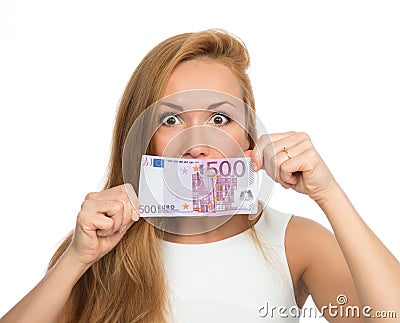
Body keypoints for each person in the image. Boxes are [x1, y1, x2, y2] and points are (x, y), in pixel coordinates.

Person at [1, 29, 399, 323]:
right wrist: (75, 260)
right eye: (171, 119)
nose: (197, 143)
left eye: (220, 118)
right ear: (143, 137)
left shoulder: (294, 241)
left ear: (248, 135)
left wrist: (329, 194)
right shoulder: (100, 248)